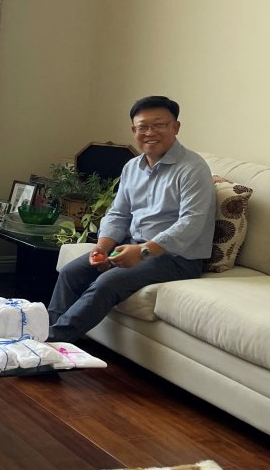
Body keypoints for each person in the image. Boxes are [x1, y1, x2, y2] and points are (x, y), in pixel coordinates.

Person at [47, 95, 215, 343]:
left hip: (177, 258)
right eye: (143, 127)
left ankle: (51, 342)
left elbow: (191, 223)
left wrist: (144, 251)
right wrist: (102, 248)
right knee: (72, 272)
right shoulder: (132, 167)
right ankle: (47, 332)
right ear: (133, 130)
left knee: (107, 282)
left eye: (159, 125)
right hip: (132, 244)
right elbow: (119, 213)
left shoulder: (193, 168)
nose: (150, 133)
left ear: (176, 127)